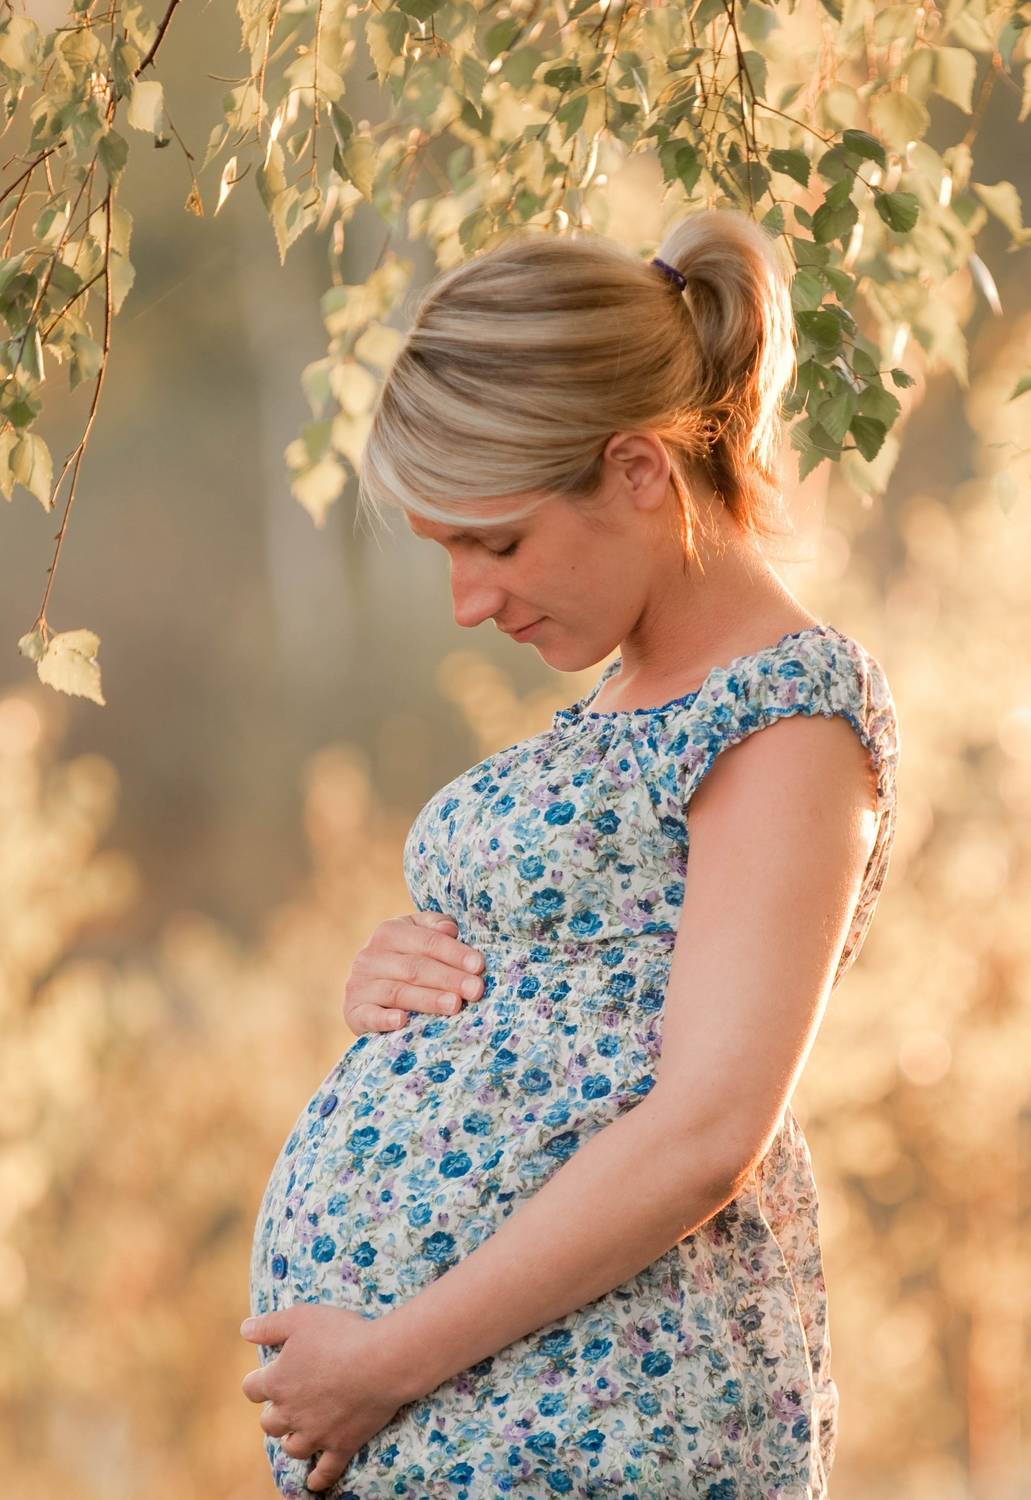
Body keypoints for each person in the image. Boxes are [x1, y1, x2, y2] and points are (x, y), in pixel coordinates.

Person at [241, 209, 900, 1498]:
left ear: (639, 470)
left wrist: (385, 1363)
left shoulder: (786, 715)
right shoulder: (626, 704)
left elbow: (708, 1128)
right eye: (448, 552)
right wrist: (405, 982)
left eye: (496, 542)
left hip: (607, 1407)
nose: (468, 601)